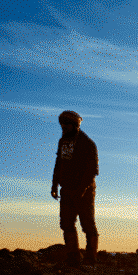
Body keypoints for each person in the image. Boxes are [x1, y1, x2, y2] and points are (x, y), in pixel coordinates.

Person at [50, 110, 99, 266]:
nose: (63, 127)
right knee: (66, 223)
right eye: (62, 124)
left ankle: (91, 257)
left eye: (67, 124)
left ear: (75, 125)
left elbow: (93, 170)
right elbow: (59, 163)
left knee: (87, 223)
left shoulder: (87, 144)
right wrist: (55, 184)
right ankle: (73, 256)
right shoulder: (62, 142)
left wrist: (82, 190)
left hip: (85, 191)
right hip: (66, 189)